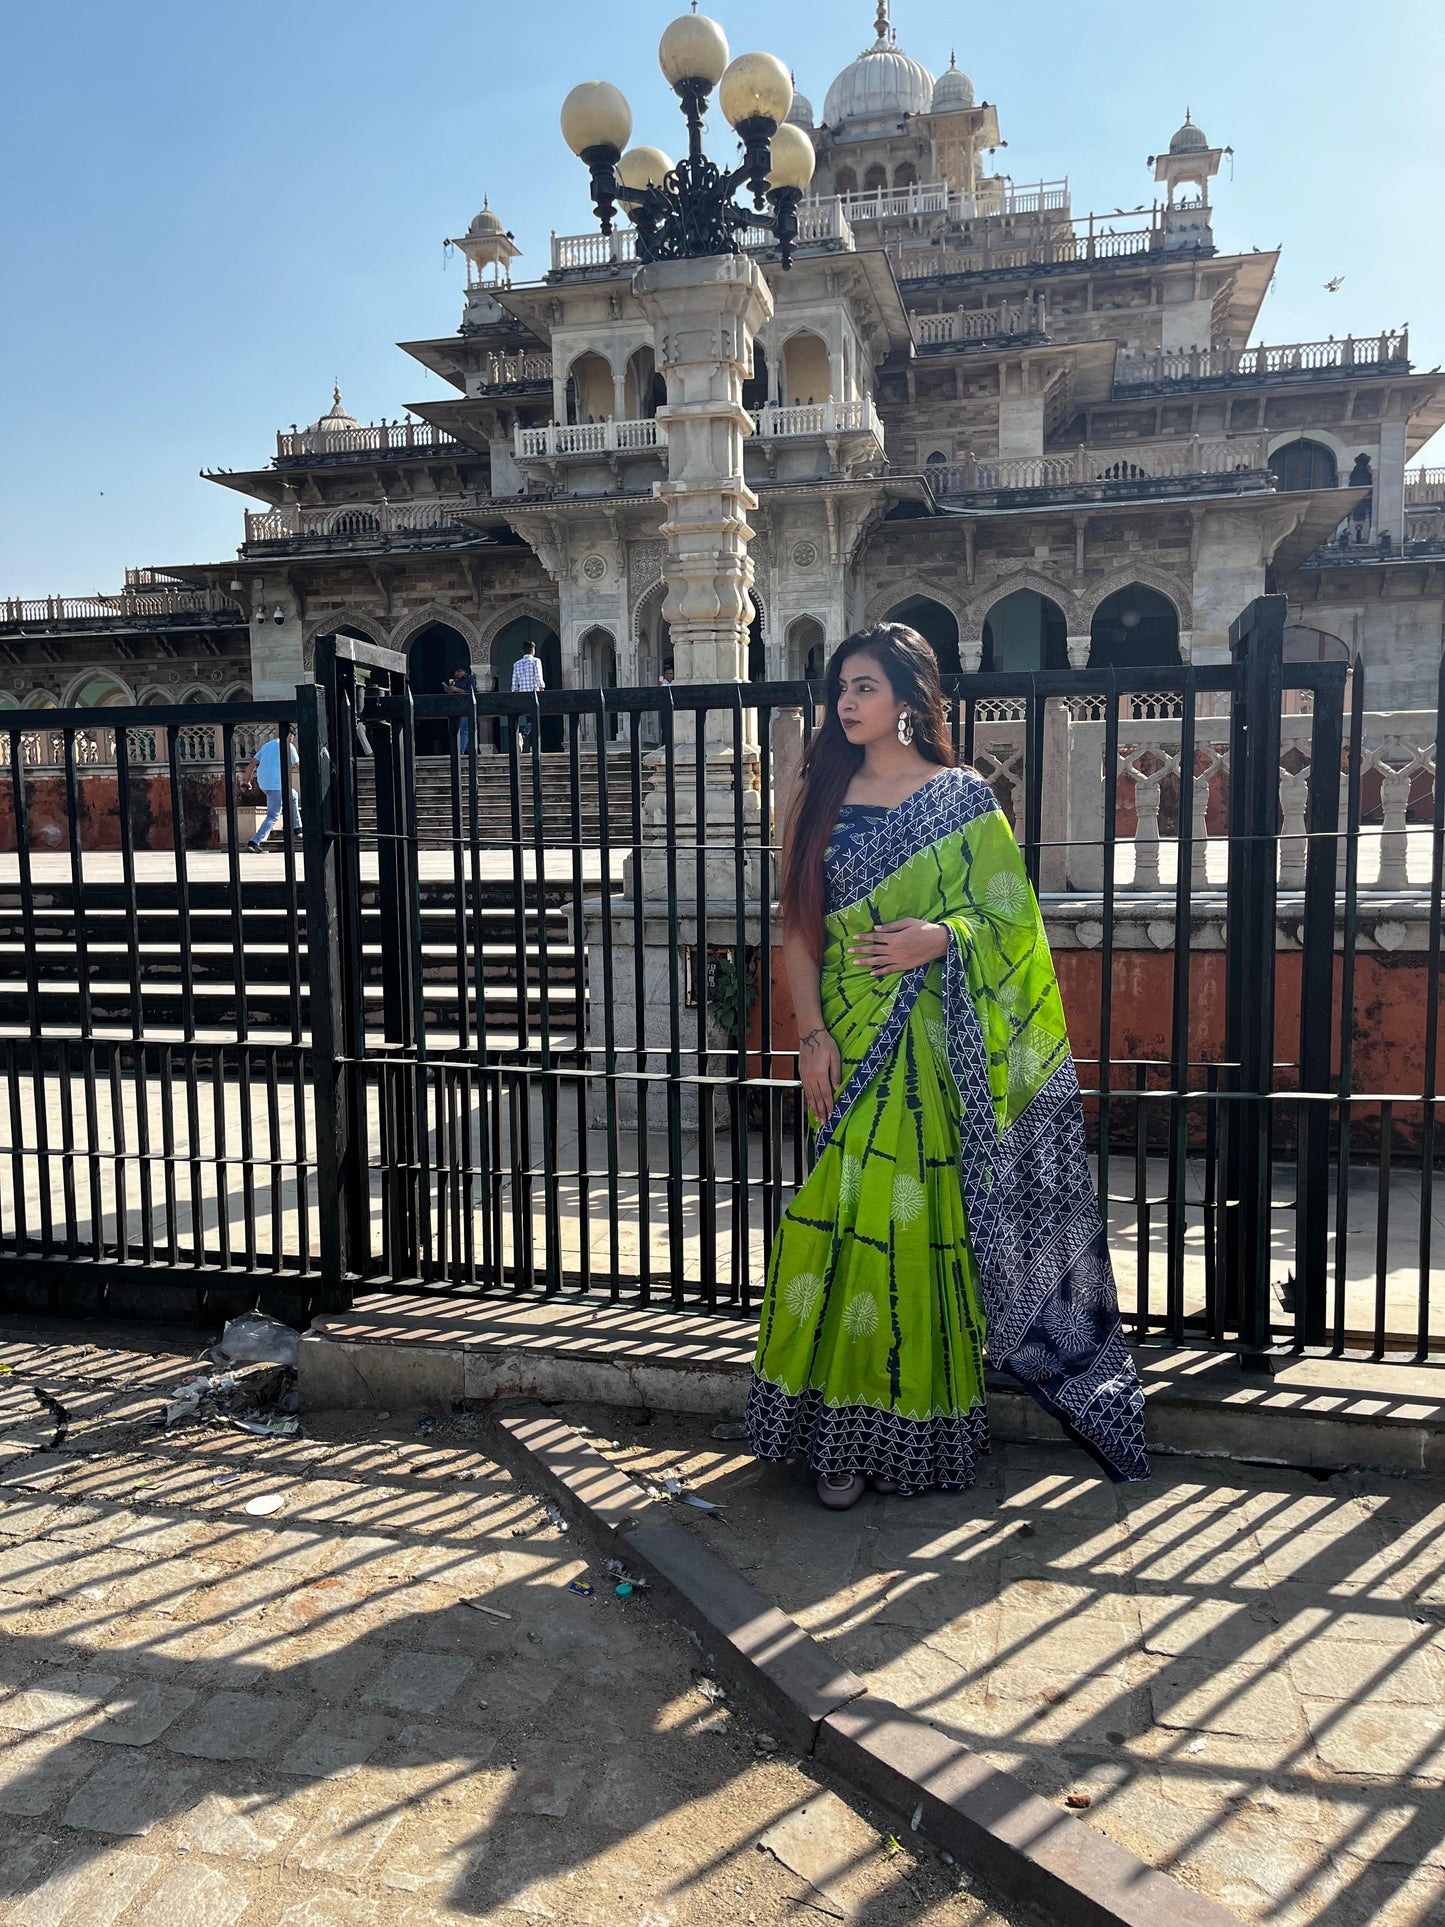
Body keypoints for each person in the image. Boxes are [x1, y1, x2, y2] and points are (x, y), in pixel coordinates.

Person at [747, 623, 1147, 1508]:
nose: (846, 704)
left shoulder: (961, 797)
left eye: (863, 688)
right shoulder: (815, 790)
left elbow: (1010, 923)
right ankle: (831, 1430)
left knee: (909, 1230)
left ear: (907, 698)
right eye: (840, 689)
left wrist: (942, 935)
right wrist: (811, 1036)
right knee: (832, 1216)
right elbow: (799, 930)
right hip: (846, 1043)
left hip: (929, 1047)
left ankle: (896, 1433)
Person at [245, 728, 301, 852]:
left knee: (293, 795)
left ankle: (297, 827)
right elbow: (298, 766)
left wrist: (247, 781)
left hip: (264, 783)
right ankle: (254, 842)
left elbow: (251, 764)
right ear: (290, 735)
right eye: (293, 737)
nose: (292, 739)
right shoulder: (288, 746)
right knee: (273, 815)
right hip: (277, 784)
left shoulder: (267, 746)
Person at [510, 639, 544, 752]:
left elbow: (514, 684)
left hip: (522, 696)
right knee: (534, 720)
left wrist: (515, 694)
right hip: (534, 694)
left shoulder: (516, 664)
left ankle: (524, 739)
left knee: (527, 718)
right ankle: (529, 740)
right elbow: (538, 677)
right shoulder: (535, 661)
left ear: (523, 651)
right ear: (533, 650)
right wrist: (542, 688)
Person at [445, 662, 478, 755]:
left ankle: (461, 751)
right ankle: (467, 750)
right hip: (459, 708)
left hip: (467, 708)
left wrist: (456, 689)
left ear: (459, 671)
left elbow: (471, 692)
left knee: (464, 729)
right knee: (462, 729)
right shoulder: (458, 681)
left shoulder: (469, 679)